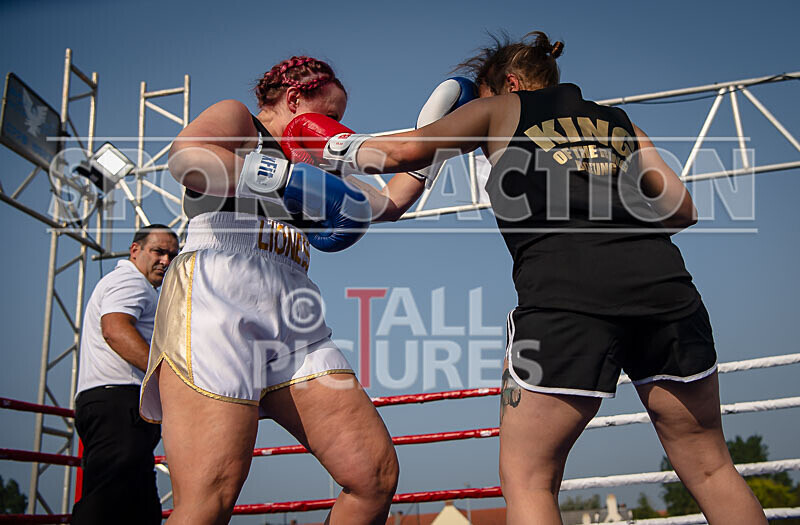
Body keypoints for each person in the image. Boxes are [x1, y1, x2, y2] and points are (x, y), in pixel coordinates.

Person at [290, 32, 769, 525]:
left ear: (510, 84)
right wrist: (603, 199)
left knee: (529, 479)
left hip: (567, 295)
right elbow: (682, 210)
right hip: (667, 292)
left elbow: (402, 154)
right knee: (711, 468)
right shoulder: (622, 123)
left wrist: (327, 144)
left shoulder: (501, 109)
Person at [140, 56, 427, 525]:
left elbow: (387, 203)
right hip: (218, 295)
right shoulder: (241, 119)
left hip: (294, 309)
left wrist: (436, 145)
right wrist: (286, 177)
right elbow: (187, 157)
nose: (334, 131)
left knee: (372, 476)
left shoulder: (319, 159)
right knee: (209, 499)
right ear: (294, 98)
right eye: (329, 117)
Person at [72, 224, 179, 525]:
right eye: (158, 251)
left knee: (138, 505)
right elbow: (115, 329)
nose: (166, 261)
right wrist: (168, 376)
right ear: (135, 250)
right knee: (107, 499)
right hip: (118, 401)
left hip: (120, 403)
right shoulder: (130, 281)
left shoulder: (136, 285)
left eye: (172, 255)